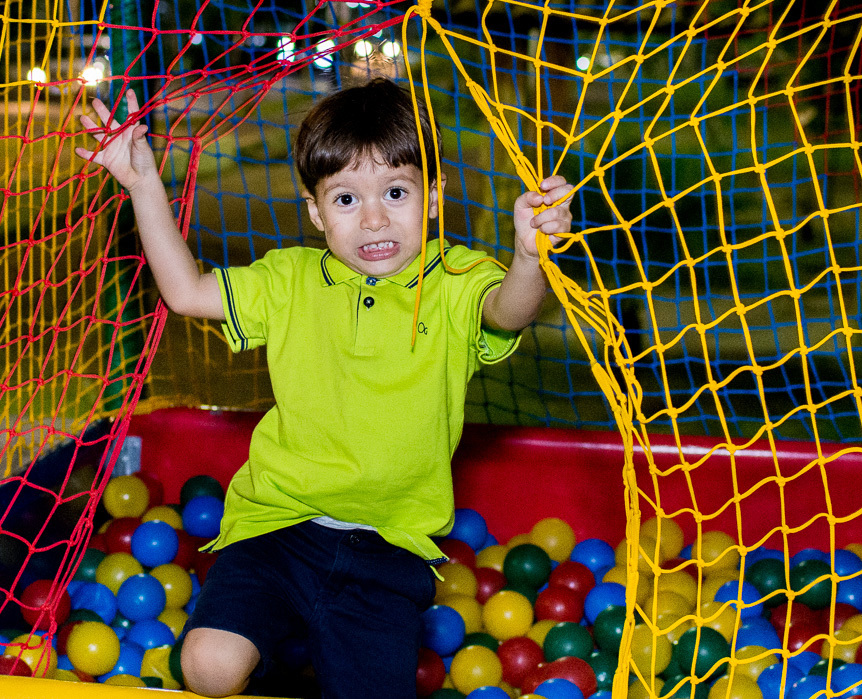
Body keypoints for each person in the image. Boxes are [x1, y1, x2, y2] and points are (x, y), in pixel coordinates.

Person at [76, 77, 573, 698]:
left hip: (386, 553)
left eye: (396, 192)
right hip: (278, 527)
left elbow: (508, 312)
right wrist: (143, 183)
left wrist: (531, 257)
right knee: (207, 664)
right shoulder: (291, 280)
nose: (373, 220)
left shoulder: (453, 278)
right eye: (345, 199)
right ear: (314, 211)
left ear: (435, 198)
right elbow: (185, 293)